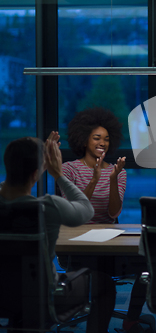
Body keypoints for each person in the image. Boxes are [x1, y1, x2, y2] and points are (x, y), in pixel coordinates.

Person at [0, 134, 116, 332]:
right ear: (36, 174)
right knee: (104, 284)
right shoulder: (48, 207)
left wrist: (35, 158)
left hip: (2, 295)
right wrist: (58, 174)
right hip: (45, 298)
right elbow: (86, 209)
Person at [62, 107, 127, 224]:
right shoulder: (69, 169)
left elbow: (114, 213)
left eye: (106, 139)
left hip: (107, 233)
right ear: (84, 141)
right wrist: (94, 180)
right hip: (75, 232)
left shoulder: (118, 172)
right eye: (97, 138)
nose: (102, 143)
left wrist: (113, 179)